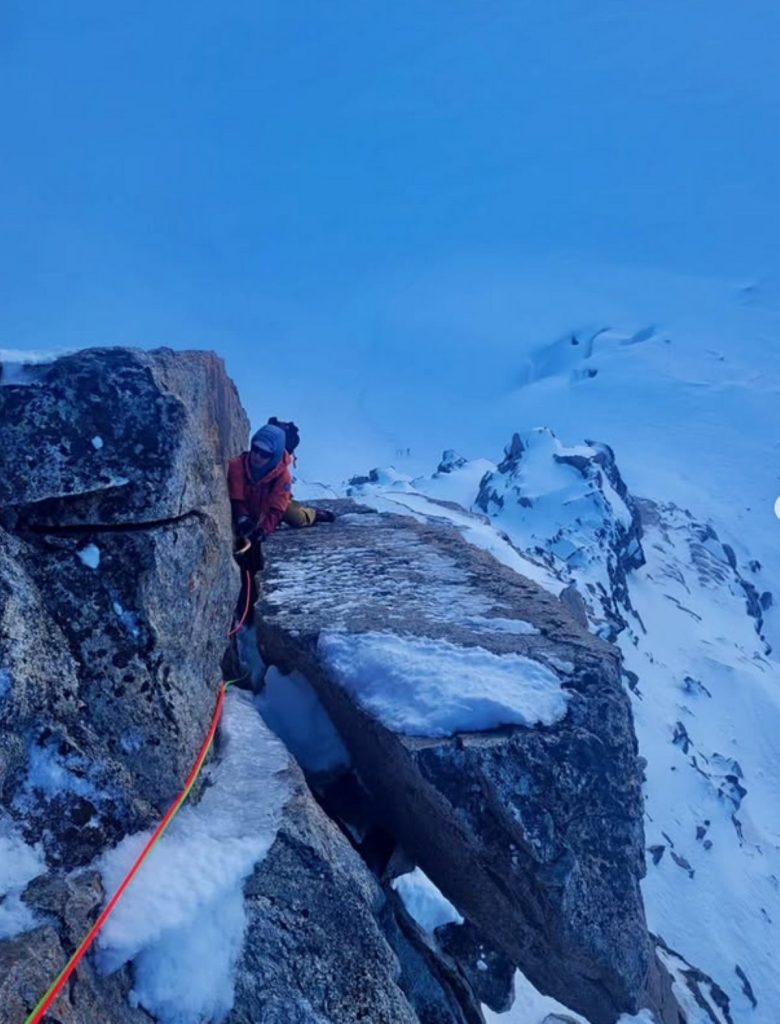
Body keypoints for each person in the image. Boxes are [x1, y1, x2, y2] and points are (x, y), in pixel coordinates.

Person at [227, 423, 292, 625]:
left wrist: (263, 530)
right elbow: (236, 497)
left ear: (274, 455)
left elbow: (277, 509)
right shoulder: (238, 465)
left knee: (296, 515)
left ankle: (314, 515)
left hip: (268, 510)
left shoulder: (282, 476)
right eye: (255, 449)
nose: (257, 456)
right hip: (249, 513)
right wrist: (242, 518)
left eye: (265, 454)